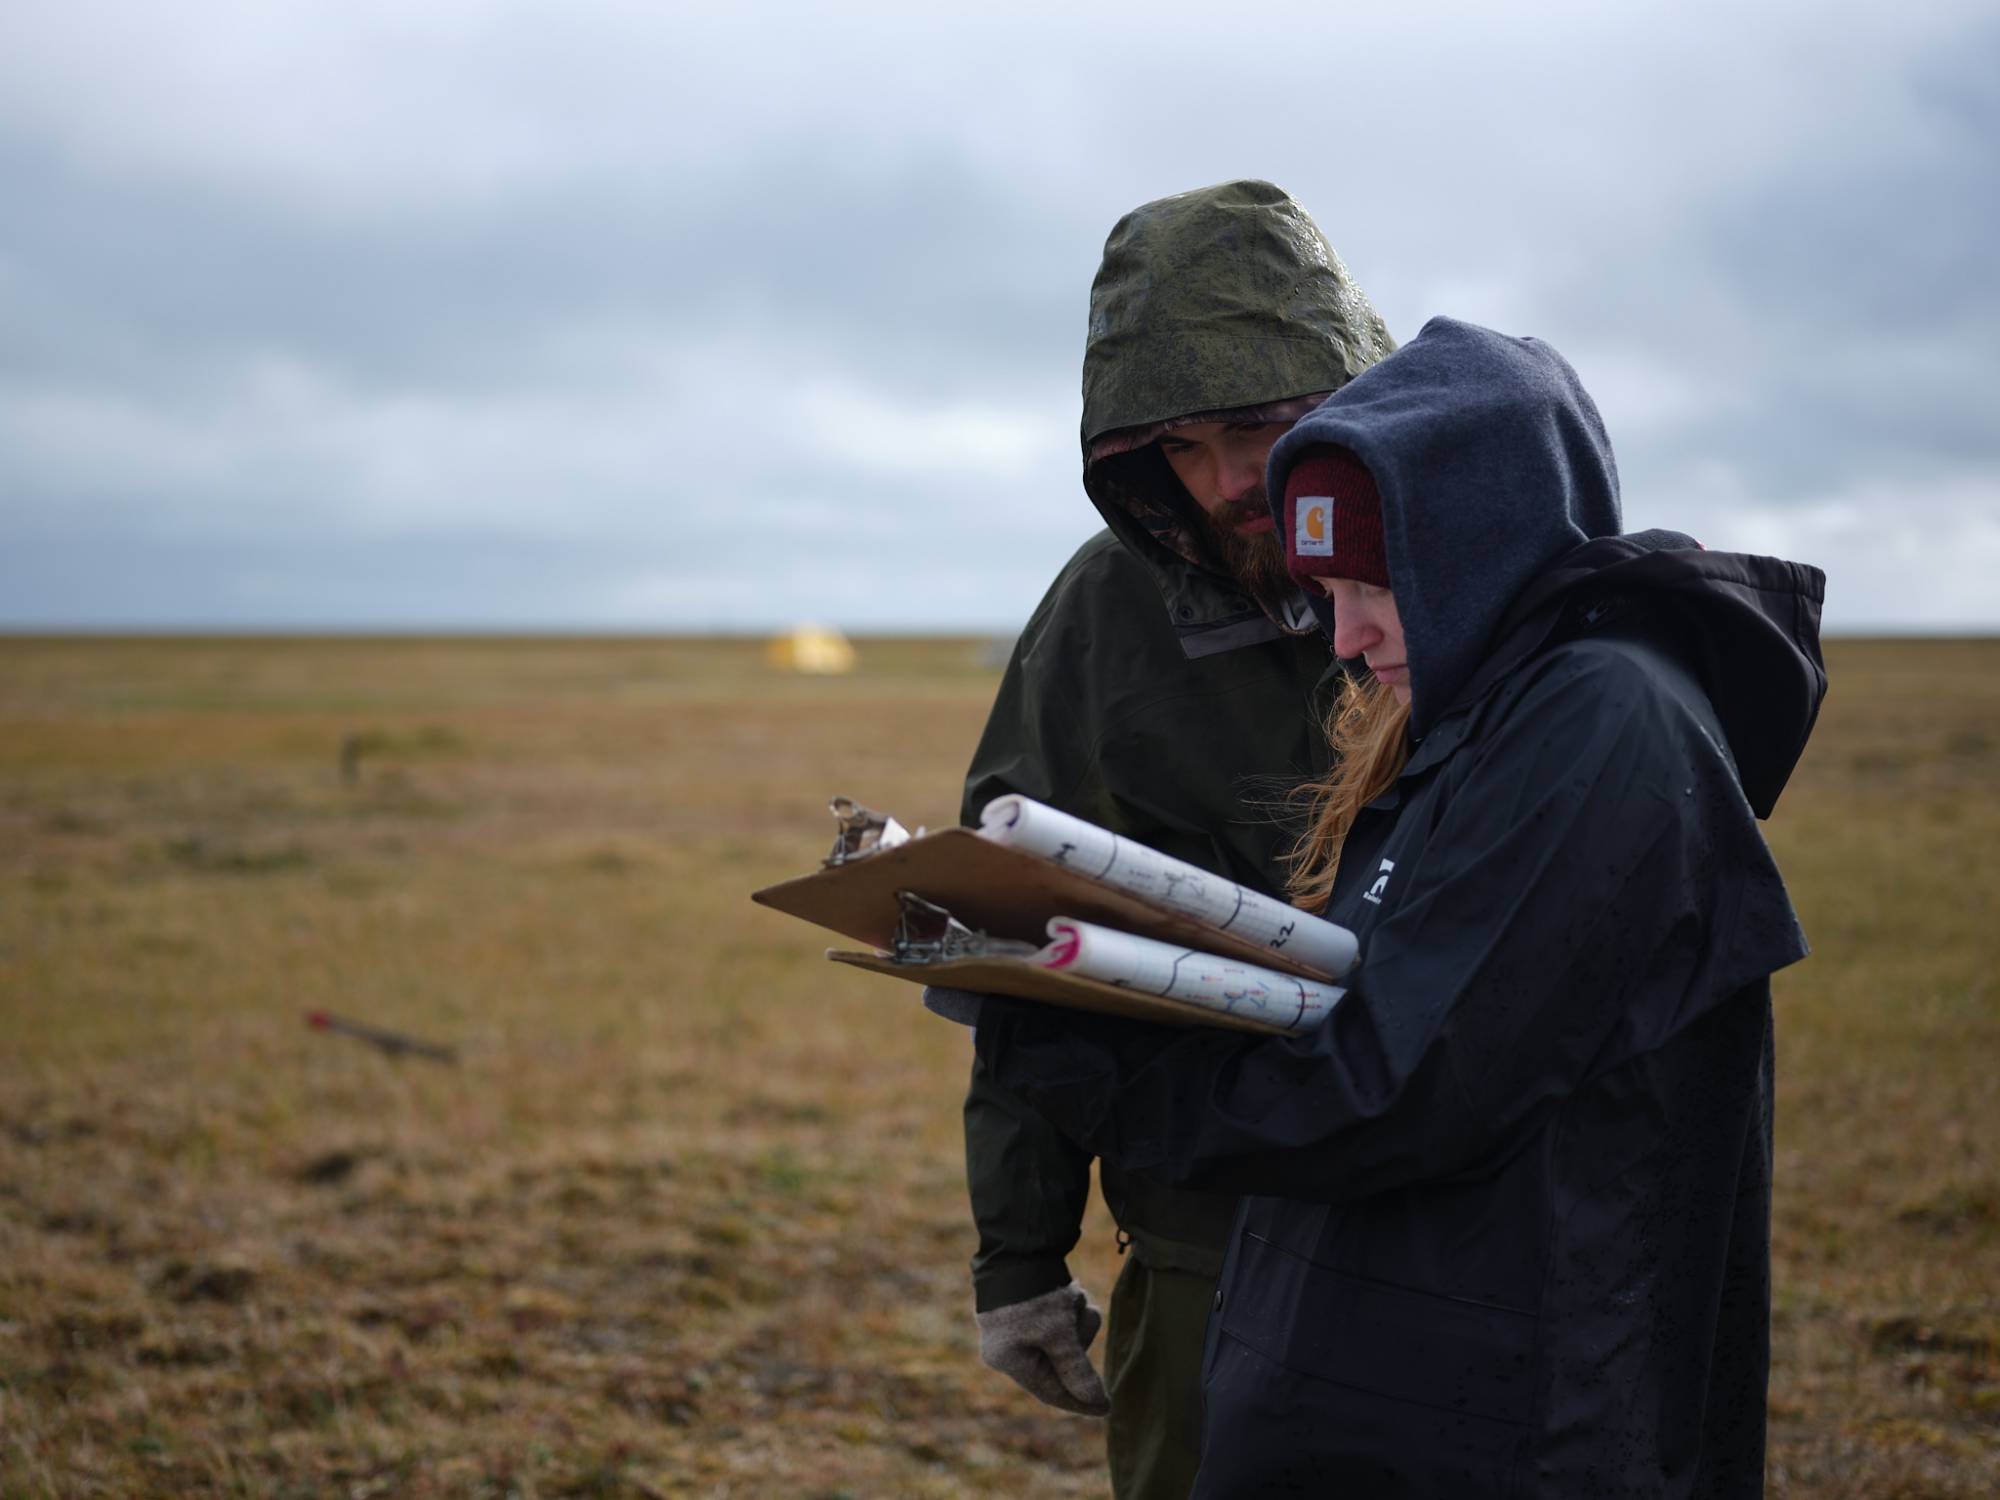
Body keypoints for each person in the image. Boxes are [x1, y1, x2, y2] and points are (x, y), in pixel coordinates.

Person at [968, 316, 1827, 1496]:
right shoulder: (1467, 716)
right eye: (1325, 589)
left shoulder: (1595, 725)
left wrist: (1105, 1069)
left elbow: (1392, 1084)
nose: (1346, 636)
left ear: (1483, 548)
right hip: (1386, 1398)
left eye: (1376, 584)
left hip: (1512, 1427)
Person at [954, 180, 1393, 1499]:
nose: (1222, 485)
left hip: (1480, 1233)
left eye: (1259, 427)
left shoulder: (1482, 562)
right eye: (1177, 450)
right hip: (1215, 1235)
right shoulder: (1104, 618)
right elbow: (1023, 952)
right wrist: (1019, 1261)